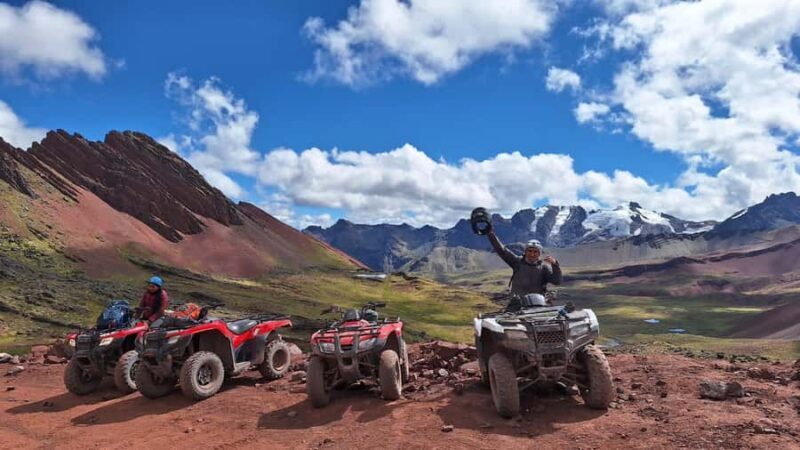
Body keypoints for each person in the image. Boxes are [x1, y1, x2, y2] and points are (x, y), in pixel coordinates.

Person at [486, 230, 562, 311]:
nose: (532, 254)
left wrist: (555, 265)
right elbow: (502, 250)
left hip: (537, 307)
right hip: (516, 307)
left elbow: (557, 281)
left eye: (535, 252)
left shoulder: (543, 268)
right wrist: (490, 232)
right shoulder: (517, 262)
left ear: (539, 253)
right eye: (529, 251)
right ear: (525, 252)